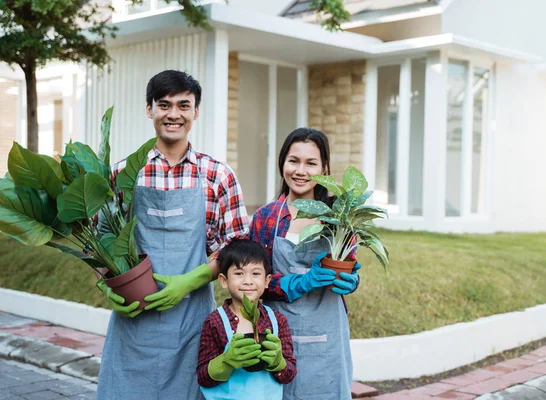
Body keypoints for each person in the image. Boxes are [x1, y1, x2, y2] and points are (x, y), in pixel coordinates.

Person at [96, 70, 249, 399]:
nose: (174, 114)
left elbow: (237, 250)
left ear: (196, 112)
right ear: (149, 109)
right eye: (164, 105)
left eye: (184, 105)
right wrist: (107, 286)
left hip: (193, 325)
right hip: (133, 322)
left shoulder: (217, 176)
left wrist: (190, 281)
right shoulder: (124, 174)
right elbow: (99, 241)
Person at [249, 128, 361, 400]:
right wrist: (300, 282)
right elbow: (252, 282)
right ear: (282, 163)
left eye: (311, 163)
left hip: (327, 332)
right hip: (278, 334)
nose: (300, 171)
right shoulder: (266, 217)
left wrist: (351, 280)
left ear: (324, 168)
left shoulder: (340, 217)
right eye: (293, 161)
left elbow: (350, 262)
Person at [197, 238, 297, 399]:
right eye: (238, 273)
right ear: (223, 280)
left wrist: (278, 362)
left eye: (256, 273)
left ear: (266, 281)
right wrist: (226, 361)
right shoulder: (215, 322)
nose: (248, 281)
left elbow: (289, 374)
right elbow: (203, 377)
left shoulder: (277, 321)